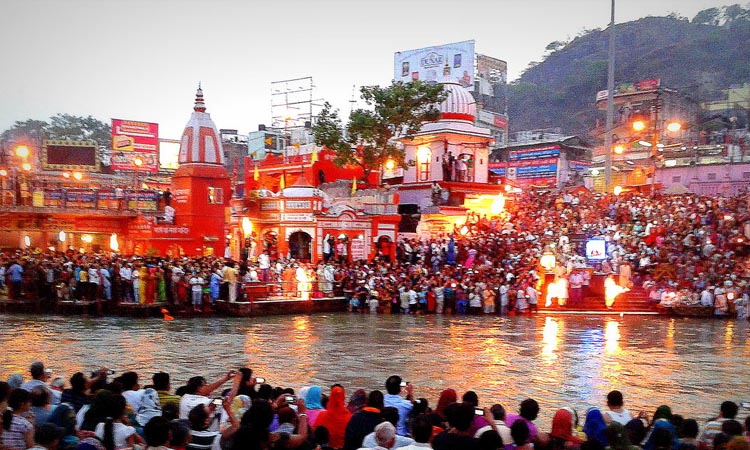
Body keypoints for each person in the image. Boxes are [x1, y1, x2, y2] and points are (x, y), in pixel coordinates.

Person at [315, 385, 352, 450]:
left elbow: (315, 432)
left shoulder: (322, 415)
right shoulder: (350, 417)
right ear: (343, 397)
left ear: (331, 397)